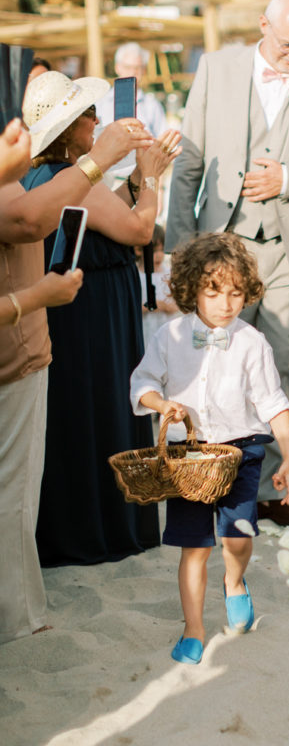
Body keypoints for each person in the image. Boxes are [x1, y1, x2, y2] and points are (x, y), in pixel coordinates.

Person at [165, 0, 289, 528]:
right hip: (223, 245)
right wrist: (178, 248)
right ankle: (211, 481)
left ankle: (271, 492)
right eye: (288, 45)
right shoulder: (216, 68)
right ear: (262, 26)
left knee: (278, 364)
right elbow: (190, 162)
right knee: (216, 363)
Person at [0, 99, 151, 643]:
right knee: (17, 486)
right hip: (25, 346)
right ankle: (19, 616)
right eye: (87, 116)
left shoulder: (36, 178)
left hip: (36, 337)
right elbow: (134, 230)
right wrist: (35, 297)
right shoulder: (57, 178)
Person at [22, 70, 182, 566]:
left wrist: (135, 179)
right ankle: (100, 529)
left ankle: (82, 523)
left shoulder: (51, 178)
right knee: (97, 407)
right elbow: (138, 230)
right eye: (89, 114)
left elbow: (110, 211)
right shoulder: (70, 179)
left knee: (80, 412)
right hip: (92, 316)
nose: (97, 120)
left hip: (82, 310)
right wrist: (151, 176)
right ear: (69, 128)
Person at [130, 232, 289, 665]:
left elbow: (272, 401)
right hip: (188, 457)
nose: (226, 303)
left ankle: (235, 581)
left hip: (242, 452)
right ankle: (194, 629)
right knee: (195, 546)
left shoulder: (252, 342)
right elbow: (142, 382)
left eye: (236, 293)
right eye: (214, 291)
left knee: (236, 539)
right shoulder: (169, 336)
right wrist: (162, 404)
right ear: (191, 289)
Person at [95, 42, 168, 183]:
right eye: (128, 67)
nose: (133, 72)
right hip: (107, 180)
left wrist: (158, 186)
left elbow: (162, 147)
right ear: (117, 67)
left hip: (142, 180)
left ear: (144, 70)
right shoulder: (101, 103)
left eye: (138, 68)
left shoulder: (152, 105)